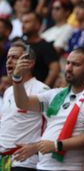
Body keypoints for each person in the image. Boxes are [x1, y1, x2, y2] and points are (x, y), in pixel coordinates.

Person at [12, 47, 84, 170]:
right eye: (68, 63)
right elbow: (23, 103)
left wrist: (56, 145)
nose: (69, 68)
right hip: (43, 166)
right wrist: (17, 78)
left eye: (75, 64)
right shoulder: (56, 94)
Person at [0, 42, 49, 170]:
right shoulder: (8, 91)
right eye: (8, 57)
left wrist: (36, 147)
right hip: (3, 161)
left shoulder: (42, 90)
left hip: (25, 164)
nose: (9, 61)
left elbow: (54, 127)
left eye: (15, 57)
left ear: (30, 63)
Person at [21, 11, 60, 87]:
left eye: (27, 22)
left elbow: (55, 70)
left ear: (37, 25)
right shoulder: (21, 45)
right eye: (22, 22)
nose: (23, 25)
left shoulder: (45, 46)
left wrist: (43, 91)